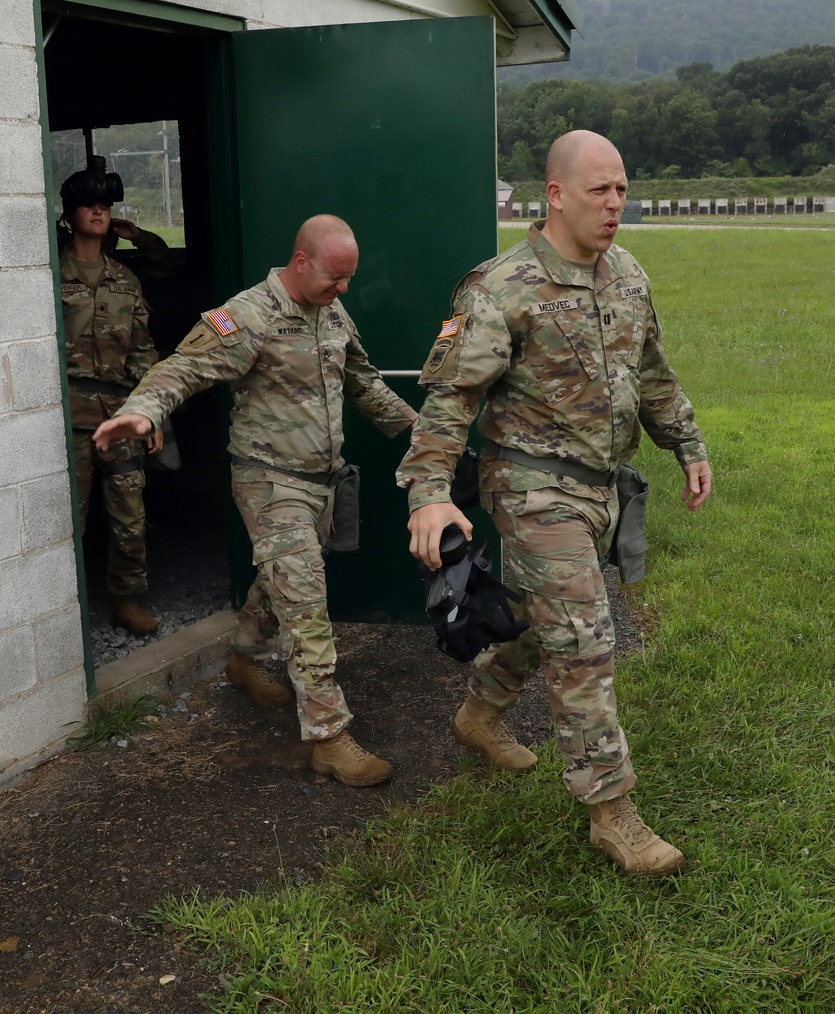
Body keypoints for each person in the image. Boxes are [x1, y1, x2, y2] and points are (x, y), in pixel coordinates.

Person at [396, 130, 712, 875]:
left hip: (602, 485)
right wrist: (431, 493)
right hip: (531, 484)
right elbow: (450, 403)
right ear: (556, 194)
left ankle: (479, 711)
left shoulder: (627, 273)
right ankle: (614, 812)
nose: (615, 204)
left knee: (549, 619)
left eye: (623, 189)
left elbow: (654, 372)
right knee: (586, 633)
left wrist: (688, 444)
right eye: (600, 189)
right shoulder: (500, 288)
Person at [93, 214, 418, 786]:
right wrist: (144, 409)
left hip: (323, 479)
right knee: (306, 601)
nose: (343, 290)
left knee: (279, 582)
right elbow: (184, 367)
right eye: (334, 279)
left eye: (348, 280)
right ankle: (330, 738)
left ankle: (244, 659)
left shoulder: (331, 310)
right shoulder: (247, 316)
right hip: (270, 483)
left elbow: (362, 381)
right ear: (301, 261)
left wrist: (420, 431)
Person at [59, 158, 177, 636]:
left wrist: (154, 416)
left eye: (105, 204)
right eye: (88, 204)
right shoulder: (49, 272)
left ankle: (127, 600)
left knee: (130, 518)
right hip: (71, 417)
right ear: (69, 214)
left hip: (122, 417)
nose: (99, 210)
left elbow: (144, 351)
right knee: (71, 521)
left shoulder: (124, 279)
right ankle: (63, 612)